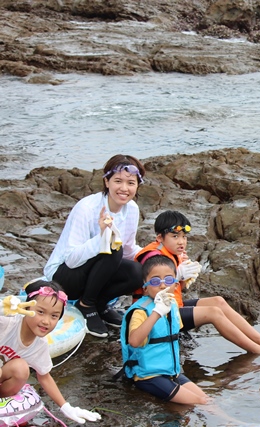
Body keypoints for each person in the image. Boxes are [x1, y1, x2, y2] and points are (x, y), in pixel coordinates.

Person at [134, 210, 260, 355]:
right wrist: (178, 275)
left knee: (218, 301)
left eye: (184, 237)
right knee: (213, 313)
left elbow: (178, 290)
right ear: (159, 237)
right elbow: (156, 291)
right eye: (175, 236)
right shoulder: (153, 258)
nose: (181, 242)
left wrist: (184, 279)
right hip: (155, 314)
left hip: (173, 305)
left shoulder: (173, 254)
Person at [43, 154, 146, 338]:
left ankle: (100, 304)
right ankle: (86, 305)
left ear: (137, 185)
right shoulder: (86, 208)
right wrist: (101, 237)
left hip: (95, 275)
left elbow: (129, 250)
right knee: (113, 247)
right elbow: (71, 260)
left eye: (131, 183)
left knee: (137, 271)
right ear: (107, 181)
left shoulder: (132, 209)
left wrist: (158, 256)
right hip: (64, 277)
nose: (124, 188)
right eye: (118, 181)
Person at [0, 280, 102, 424]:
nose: (46, 321)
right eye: (40, 312)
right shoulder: (7, 322)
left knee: (21, 369)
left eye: (54, 316)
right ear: (27, 307)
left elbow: (45, 377)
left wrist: (66, 407)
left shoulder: (39, 345)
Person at [120, 254, 208, 405]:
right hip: (149, 376)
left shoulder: (171, 304)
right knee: (199, 402)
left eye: (168, 280)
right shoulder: (141, 311)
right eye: (155, 281)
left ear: (175, 284)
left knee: (207, 399)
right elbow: (134, 341)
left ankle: (229, 418)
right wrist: (157, 312)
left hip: (171, 371)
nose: (162, 286)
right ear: (145, 287)